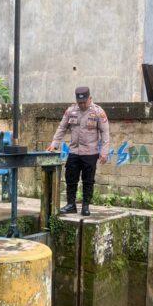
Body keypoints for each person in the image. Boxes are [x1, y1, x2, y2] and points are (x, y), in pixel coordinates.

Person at [47, 86, 110, 216]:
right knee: (70, 178)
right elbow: (61, 128)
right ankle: (71, 205)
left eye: (84, 102)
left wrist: (104, 152)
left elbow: (105, 133)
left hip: (90, 153)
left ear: (90, 99)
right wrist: (54, 144)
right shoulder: (71, 111)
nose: (81, 105)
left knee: (88, 180)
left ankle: (86, 206)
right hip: (74, 152)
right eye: (79, 102)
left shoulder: (98, 112)